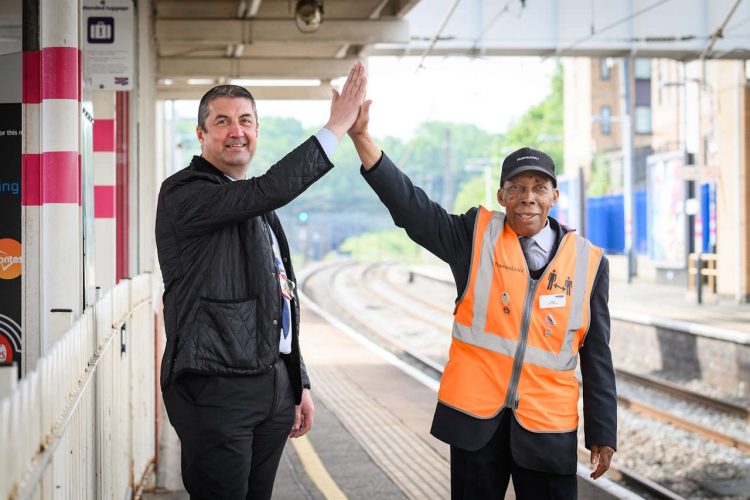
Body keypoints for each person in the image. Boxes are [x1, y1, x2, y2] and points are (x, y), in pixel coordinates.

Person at [347, 100, 617, 499]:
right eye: (518, 188)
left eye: (539, 188)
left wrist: (602, 432)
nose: (528, 198)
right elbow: (413, 209)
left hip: (548, 429)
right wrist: (362, 139)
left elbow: (597, 355)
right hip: (476, 426)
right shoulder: (474, 237)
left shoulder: (589, 262)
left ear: (554, 195)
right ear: (502, 195)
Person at [155, 62, 366, 499]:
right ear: (201, 134)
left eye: (246, 121)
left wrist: (297, 380)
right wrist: (337, 127)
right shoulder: (184, 192)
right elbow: (266, 190)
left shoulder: (257, 205)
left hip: (271, 387)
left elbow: (280, 297)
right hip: (215, 388)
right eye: (222, 122)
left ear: (257, 130)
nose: (237, 131)